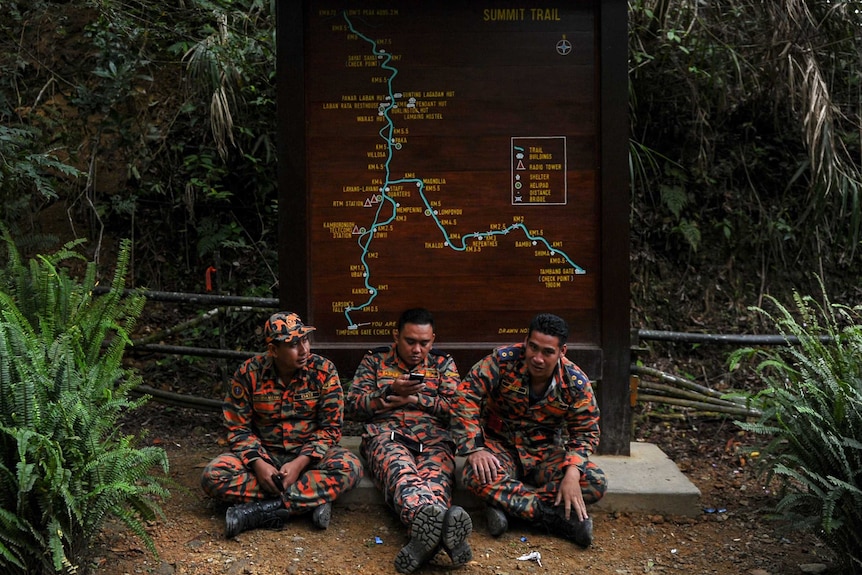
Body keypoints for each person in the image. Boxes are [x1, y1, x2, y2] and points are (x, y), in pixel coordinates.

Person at [201, 312, 363, 538]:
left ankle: (258, 511)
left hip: (308, 458)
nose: (304, 349)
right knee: (213, 476)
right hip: (264, 455)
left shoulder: (324, 371)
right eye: (294, 344)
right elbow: (238, 428)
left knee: (350, 467)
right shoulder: (249, 374)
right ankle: (309, 501)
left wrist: (299, 464)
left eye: (305, 340)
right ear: (273, 350)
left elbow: (330, 429)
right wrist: (258, 464)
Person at [451, 312, 606, 548]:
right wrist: (475, 448)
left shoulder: (576, 382)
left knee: (594, 482)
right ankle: (553, 518)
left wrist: (573, 470)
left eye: (547, 352)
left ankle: (507, 508)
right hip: (500, 446)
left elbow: (586, 431)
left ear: (562, 352)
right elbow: (465, 397)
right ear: (526, 341)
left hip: (544, 452)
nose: (538, 358)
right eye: (533, 347)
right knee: (474, 474)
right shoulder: (503, 361)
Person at [346, 308, 472, 574]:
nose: (417, 349)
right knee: (401, 473)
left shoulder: (442, 364)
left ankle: (427, 535)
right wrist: (389, 391)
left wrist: (416, 399)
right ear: (396, 336)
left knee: (437, 480)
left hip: (433, 440)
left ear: (433, 340)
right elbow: (353, 406)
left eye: (424, 343)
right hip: (387, 437)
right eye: (410, 341)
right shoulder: (375, 361)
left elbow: (458, 408)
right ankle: (433, 526)